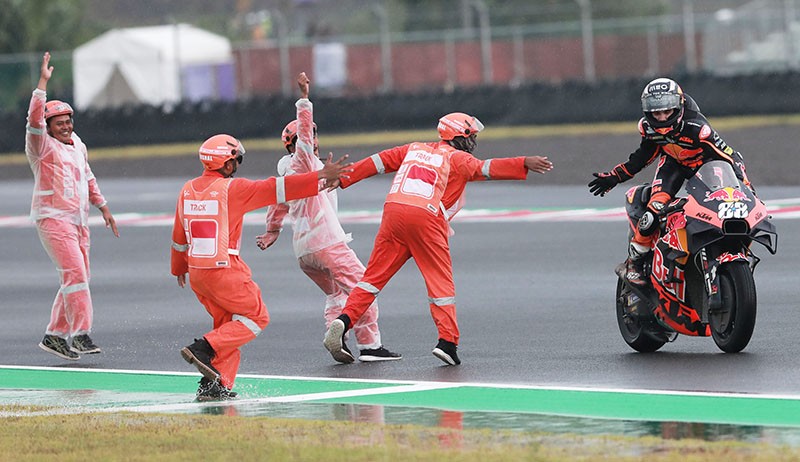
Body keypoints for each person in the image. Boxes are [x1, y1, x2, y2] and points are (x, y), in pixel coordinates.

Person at [323, 112, 553, 366]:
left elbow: (377, 161)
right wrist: (523, 162)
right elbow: (484, 168)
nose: (473, 140)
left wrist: (345, 177)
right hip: (426, 219)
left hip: (393, 213)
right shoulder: (458, 158)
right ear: (459, 136)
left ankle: (343, 322)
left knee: (372, 279)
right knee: (440, 283)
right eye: (471, 135)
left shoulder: (413, 149)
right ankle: (447, 342)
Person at [171, 133, 351, 401]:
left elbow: (179, 236)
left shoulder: (187, 189)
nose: (237, 166)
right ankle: (202, 348)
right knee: (256, 318)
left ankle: (215, 384)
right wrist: (321, 176)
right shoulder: (233, 190)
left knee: (228, 326)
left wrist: (179, 268)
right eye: (237, 160)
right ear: (228, 164)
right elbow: (280, 188)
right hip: (225, 270)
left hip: (198, 272)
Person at [256, 73, 401, 363]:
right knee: (364, 287)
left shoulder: (287, 174)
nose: (312, 139)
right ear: (293, 145)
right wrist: (304, 99)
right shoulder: (304, 161)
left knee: (336, 296)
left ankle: (337, 340)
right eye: (305, 138)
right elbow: (306, 140)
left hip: (304, 253)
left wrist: (272, 233)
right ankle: (370, 346)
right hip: (328, 245)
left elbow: (277, 206)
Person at [588, 77, 753, 286]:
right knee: (653, 211)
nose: (663, 117)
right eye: (657, 113)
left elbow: (730, 157)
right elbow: (641, 158)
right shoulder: (648, 129)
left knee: (728, 202)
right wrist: (614, 177)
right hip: (673, 164)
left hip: (707, 164)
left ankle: (730, 247)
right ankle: (634, 262)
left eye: (667, 111)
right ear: (648, 112)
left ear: (679, 107)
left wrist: (746, 187)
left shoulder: (698, 129)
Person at [26, 52, 119, 361]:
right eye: (59, 123)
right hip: (52, 219)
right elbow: (34, 120)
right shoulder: (40, 146)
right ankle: (80, 335)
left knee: (76, 279)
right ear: (49, 127)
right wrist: (43, 83)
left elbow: (88, 176)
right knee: (75, 275)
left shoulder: (78, 144)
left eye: (68, 121)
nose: (65, 127)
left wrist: (103, 206)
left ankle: (54, 335)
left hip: (79, 221)